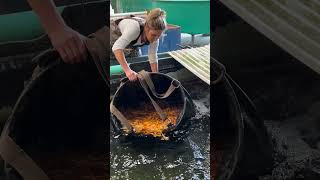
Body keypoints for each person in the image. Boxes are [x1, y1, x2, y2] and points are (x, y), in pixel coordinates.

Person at [111, 8, 167, 81]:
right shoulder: (134, 28)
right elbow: (116, 47)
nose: (155, 39)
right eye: (153, 35)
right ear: (146, 28)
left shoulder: (155, 36)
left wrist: (156, 75)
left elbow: (152, 55)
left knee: (137, 65)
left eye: (158, 35)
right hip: (110, 39)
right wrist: (128, 71)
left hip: (129, 43)